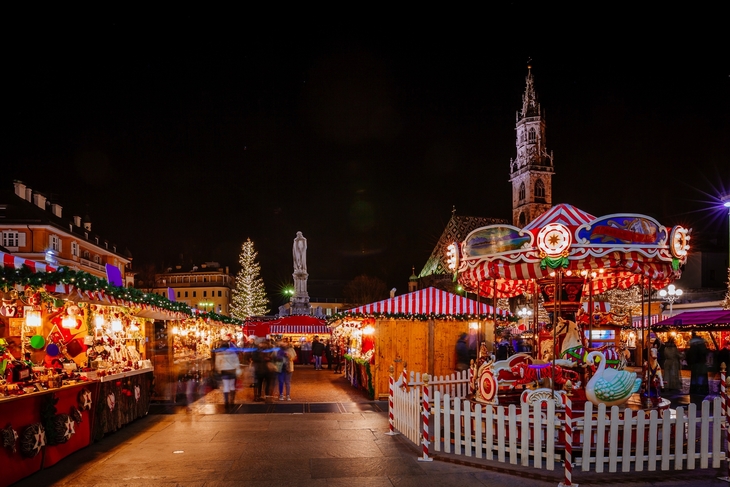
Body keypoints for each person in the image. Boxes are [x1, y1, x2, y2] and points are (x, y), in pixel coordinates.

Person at [214, 338, 240, 408]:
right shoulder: (233, 353)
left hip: (224, 371)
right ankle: (232, 401)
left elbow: (217, 364)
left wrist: (219, 370)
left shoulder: (219, 354)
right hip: (232, 370)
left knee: (226, 386)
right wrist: (238, 370)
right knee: (232, 386)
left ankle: (226, 401)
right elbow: (236, 362)